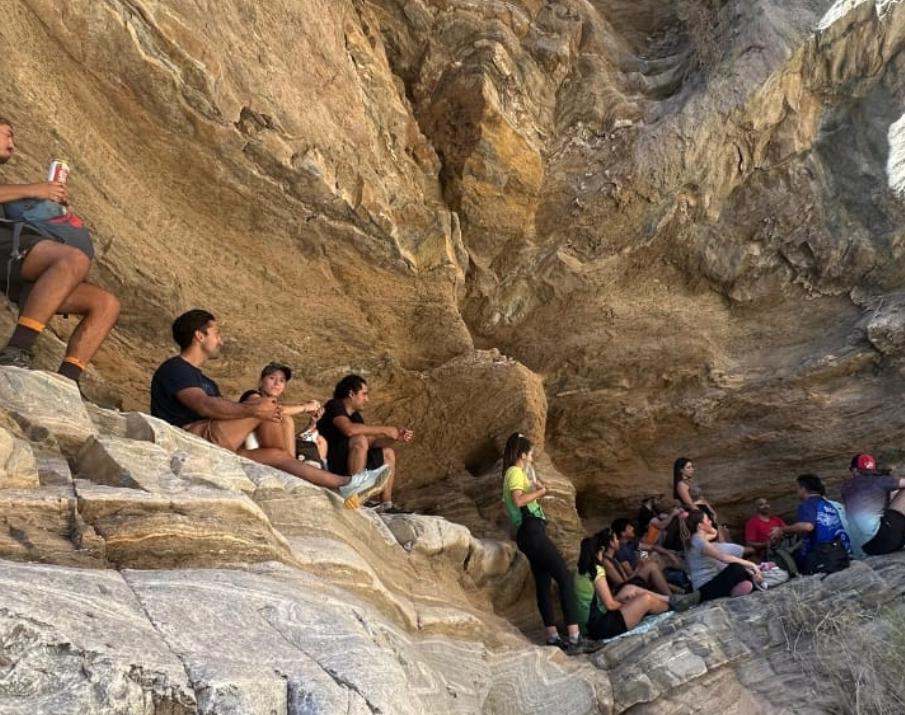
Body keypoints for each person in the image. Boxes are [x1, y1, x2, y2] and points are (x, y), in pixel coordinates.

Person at [150, 310, 389, 508]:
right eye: (216, 333)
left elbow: (220, 410)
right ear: (199, 336)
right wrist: (254, 411)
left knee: (279, 454)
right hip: (188, 439)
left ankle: (344, 483)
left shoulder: (207, 381)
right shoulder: (176, 368)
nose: (220, 340)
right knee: (262, 405)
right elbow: (203, 405)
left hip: (220, 443)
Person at [0, 117, 120, 382]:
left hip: (16, 255)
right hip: (4, 249)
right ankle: (17, 350)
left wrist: (49, 207)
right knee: (72, 259)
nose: (13, 144)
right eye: (7, 135)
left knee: (106, 304)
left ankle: (67, 381)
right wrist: (36, 189)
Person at [501, 433, 600, 655]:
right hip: (532, 531)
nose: (531, 456)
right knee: (564, 578)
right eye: (530, 453)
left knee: (543, 583)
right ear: (522, 454)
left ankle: (553, 636)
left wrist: (534, 485)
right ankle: (575, 639)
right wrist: (541, 492)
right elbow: (518, 500)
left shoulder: (514, 473)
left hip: (527, 533)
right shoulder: (515, 472)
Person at [317, 374, 412, 513]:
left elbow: (371, 442)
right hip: (329, 464)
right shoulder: (334, 405)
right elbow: (349, 430)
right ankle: (354, 494)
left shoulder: (355, 416)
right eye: (364, 394)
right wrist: (385, 430)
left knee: (388, 453)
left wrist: (395, 436)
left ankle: (386, 505)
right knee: (359, 439)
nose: (367, 399)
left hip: (349, 462)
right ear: (351, 394)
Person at [575, 532, 696, 641]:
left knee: (632, 590)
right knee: (645, 599)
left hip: (593, 625)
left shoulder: (579, 572)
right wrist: (630, 606)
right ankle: (673, 605)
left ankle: (673, 600)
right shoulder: (596, 570)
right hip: (600, 627)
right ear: (600, 550)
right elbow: (610, 605)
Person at [239, 362, 326, 463]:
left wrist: (310, 426)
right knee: (282, 418)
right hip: (248, 451)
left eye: (282, 380)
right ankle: (290, 464)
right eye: (272, 378)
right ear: (261, 382)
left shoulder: (280, 411)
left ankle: (291, 464)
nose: (277, 383)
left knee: (318, 440)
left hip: (271, 452)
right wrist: (305, 407)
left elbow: (286, 440)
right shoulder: (252, 395)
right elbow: (271, 410)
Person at [770, 475, 851, 574]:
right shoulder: (828, 505)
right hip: (840, 554)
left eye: (798, 488)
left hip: (822, 556)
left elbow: (807, 526)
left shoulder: (808, 504)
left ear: (803, 489)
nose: (797, 492)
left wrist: (782, 530)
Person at [682, 510, 762, 602]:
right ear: (700, 525)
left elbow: (714, 533)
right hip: (706, 588)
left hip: (706, 586)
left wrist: (711, 528)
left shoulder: (695, 539)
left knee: (739, 569)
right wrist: (751, 564)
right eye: (707, 520)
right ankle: (743, 585)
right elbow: (724, 558)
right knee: (736, 568)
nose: (710, 522)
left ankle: (743, 585)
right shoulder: (700, 542)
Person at [841, 453, 905, 556]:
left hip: (868, 548)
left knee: (892, 496)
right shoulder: (880, 480)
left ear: (854, 470)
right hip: (885, 539)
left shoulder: (845, 487)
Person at [610, 518, 673, 595]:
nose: (633, 528)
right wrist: (641, 565)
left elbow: (649, 547)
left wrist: (669, 553)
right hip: (632, 581)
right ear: (623, 533)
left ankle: (678, 590)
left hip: (639, 571)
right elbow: (630, 575)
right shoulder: (621, 551)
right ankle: (671, 597)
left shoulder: (630, 543)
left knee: (653, 557)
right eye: (629, 528)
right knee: (652, 566)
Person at [744, 497, 786, 561]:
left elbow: (787, 530)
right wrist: (766, 544)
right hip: (765, 555)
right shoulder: (752, 522)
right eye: (761, 504)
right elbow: (750, 543)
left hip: (783, 549)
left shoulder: (776, 519)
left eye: (766, 503)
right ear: (756, 508)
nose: (765, 506)